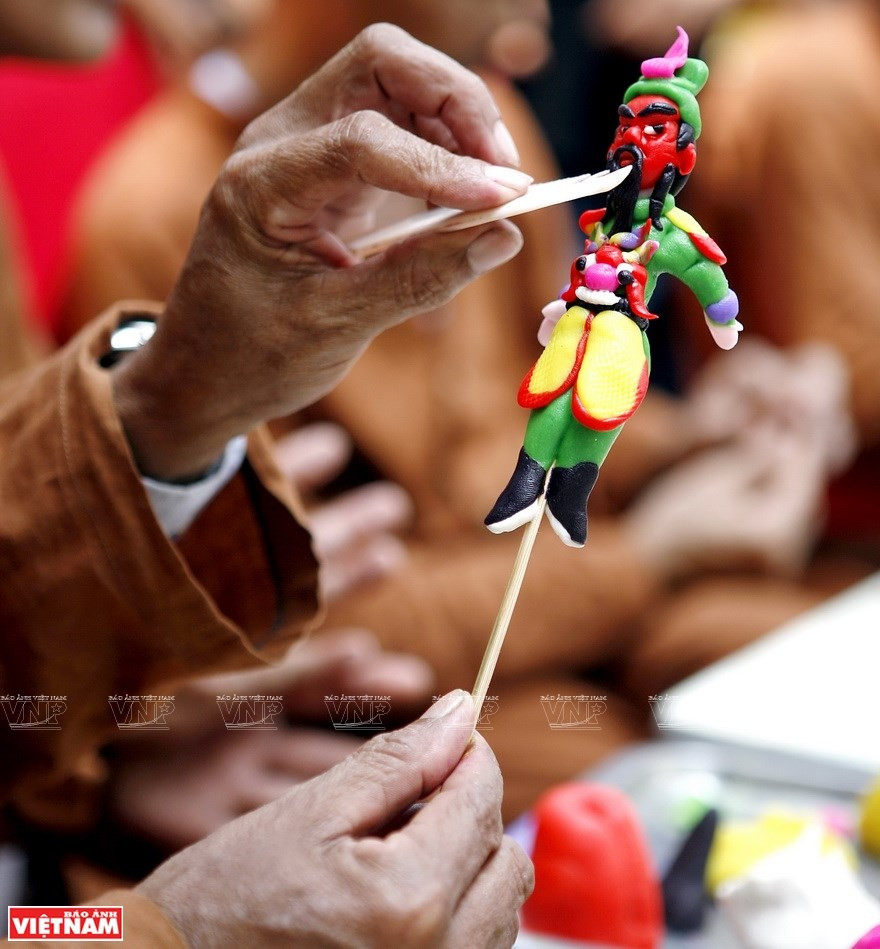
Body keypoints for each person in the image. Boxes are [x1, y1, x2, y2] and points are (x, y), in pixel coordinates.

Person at [1, 6, 534, 943]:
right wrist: (169, 928)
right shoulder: (152, 200)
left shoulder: (496, 127)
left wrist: (169, 408)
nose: (539, 25)